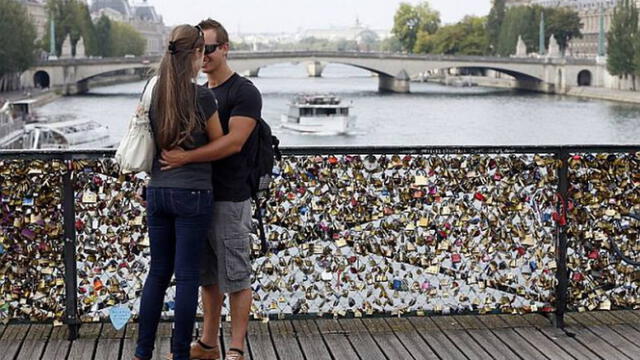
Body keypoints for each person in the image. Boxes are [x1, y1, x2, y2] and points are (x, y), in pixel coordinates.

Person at [160, 18, 261, 360]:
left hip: (230, 196)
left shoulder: (243, 91)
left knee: (236, 274)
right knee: (207, 276)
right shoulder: (198, 92)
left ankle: (235, 348)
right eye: (199, 50)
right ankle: (208, 344)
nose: (204, 56)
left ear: (226, 48)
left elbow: (233, 143)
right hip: (197, 197)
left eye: (211, 49)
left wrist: (185, 159)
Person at [134, 24, 223, 360]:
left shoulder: (152, 91)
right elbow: (219, 143)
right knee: (187, 277)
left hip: (157, 191)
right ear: (198, 54)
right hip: (193, 194)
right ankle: (179, 353)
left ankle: (142, 352)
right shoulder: (201, 96)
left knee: (157, 273)